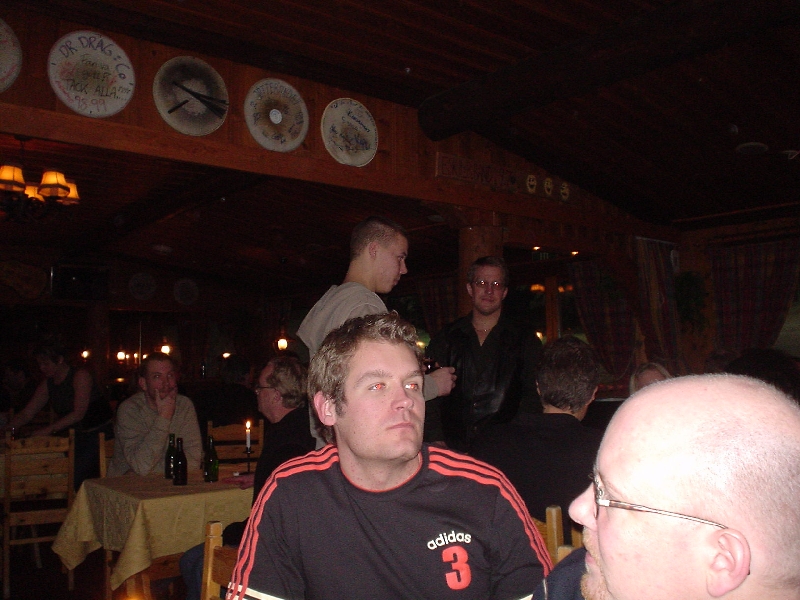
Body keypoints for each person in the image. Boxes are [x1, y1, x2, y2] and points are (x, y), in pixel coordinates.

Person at [228, 313, 552, 600]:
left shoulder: (484, 491)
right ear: (328, 408)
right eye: (377, 386)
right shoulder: (292, 493)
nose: (406, 401)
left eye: (412, 385)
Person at [535, 374, 800, 600]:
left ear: (721, 561)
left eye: (609, 496)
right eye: (595, 482)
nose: (577, 510)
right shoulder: (568, 581)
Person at [297, 215, 455, 444]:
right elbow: (375, 387)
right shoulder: (363, 306)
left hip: (333, 444)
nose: (404, 269)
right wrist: (433, 385)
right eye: (399, 257)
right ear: (373, 250)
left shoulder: (332, 301)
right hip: (361, 446)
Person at [180, 355, 315, 600]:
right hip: (274, 540)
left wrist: (231, 532)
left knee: (199, 563)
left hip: (274, 551)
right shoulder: (294, 428)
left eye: (260, 387)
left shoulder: (289, 443)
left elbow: (270, 523)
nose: (256, 392)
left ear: (276, 395)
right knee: (190, 560)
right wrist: (260, 475)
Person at [471, 336, 603, 539]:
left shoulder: (488, 442)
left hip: (504, 556)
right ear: (593, 394)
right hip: (577, 558)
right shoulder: (605, 451)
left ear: (538, 387)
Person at [426, 256, 541, 451]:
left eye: (496, 284)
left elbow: (534, 397)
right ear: (470, 289)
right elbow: (430, 392)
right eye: (481, 283)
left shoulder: (525, 340)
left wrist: (519, 440)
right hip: (453, 450)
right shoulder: (446, 337)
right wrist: (435, 437)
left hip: (507, 450)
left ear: (504, 292)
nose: (489, 290)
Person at [5, 341, 113, 490]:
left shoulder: (80, 375)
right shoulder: (48, 384)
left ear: (60, 360)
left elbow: (78, 414)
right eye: (39, 364)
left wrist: (46, 431)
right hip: (73, 437)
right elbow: (27, 414)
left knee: (74, 476)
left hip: (97, 435)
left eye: (45, 364)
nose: (42, 368)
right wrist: (7, 429)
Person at [107, 352, 202, 477]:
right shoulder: (130, 409)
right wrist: (164, 417)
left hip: (170, 482)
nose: (166, 383)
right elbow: (142, 465)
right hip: (127, 485)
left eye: (170, 375)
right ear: (143, 383)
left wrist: (153, 471)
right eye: (157, 377)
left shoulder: (184, 405)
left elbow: (194, 460)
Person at [194, 353, 258, 440]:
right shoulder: (253, 399)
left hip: (214, 446)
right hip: (248, 446)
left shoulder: (208, 397)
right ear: (246, 376)